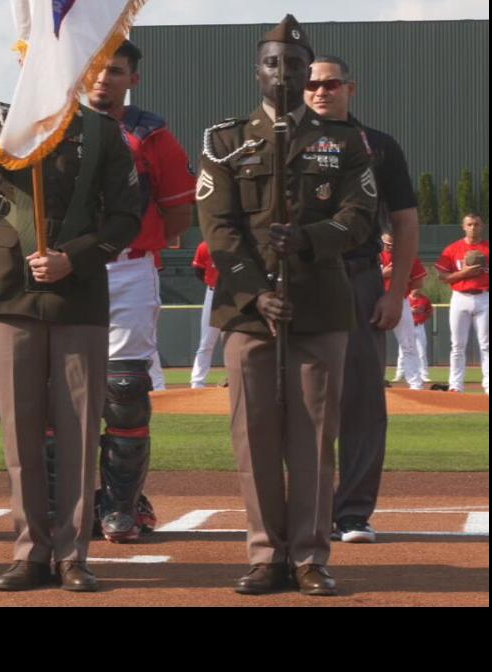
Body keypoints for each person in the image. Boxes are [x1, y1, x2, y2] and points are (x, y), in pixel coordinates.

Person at [198, 15, 375, 596]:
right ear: (258, 71)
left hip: (320, 305)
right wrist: (256, 291)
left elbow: (358, 217)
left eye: (295, 65)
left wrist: (308, 238)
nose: (284, 73)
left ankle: (309, 557)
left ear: (306, 74)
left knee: (314, 437)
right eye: (273, 63)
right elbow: (219, 230)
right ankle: (265, 556)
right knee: (254, 436)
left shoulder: (345, 141)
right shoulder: (224, 140)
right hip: (249, 309)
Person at [0, 93, 143, 589]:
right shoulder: (0, 114)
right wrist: (33, 118)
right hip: (9, 289)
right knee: (20, 434)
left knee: (79, 430)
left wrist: (77, 256)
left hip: (78, 290)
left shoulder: (103, 131)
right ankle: (30, 552)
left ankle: (72, 554)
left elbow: (126, 215)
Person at [304, 54, 423, 544]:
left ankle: (352, 511)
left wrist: (395, 294)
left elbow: (406, 222)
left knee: (360, 401)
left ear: (351, 89)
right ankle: (301, 510)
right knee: (295, 402)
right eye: (311, 84)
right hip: (296, 281)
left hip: (357, 277)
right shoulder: (281, 140)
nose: (320, 91)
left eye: (331, 83)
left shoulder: (378, 145)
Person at [85, 39, 194, 541]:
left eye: (115, 70)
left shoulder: (152, 136)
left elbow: (177, 211)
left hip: (128, 269)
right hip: (65, 271)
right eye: (95, 69)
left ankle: (121, 504)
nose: (103, 79)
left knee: (124, 389)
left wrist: (142, 238)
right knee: (55, 394)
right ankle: (71, 500)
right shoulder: (51, 127)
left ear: (133, 79)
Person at [435, 213, 488, 394]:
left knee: (486, 344)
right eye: (470, 224)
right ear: (463, 227)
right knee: (457, 345)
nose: (473, 227)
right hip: (460, 297)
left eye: (476, 224)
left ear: (482, 226)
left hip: (484, 297)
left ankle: (488, 386)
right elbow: (442, 278)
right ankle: (456, 386)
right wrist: (464, 273)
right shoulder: (452, 249)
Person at [379, 232, 426, 391]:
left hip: (400, 301)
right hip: (374, 301)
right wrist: (383, 275)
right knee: (373, 345)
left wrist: (403, 283)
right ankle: (375, 380)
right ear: (382, 241)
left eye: (393, 244)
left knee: (408, 344)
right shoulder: (373, 256)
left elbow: (419, 281)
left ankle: (415, 384)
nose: (390, 247)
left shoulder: (408, 256)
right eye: (387, 244)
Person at [190, 240, 222, 388]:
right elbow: (198, 271)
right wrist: (211, 282)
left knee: (239, 340)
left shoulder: (238, 243)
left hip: (237, 294)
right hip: (214, 293)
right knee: (206, 342)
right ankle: (197, 383)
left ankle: (237, 378)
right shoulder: (204, 246)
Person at [399, 289, 433, 383]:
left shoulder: (424, 299)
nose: (417, 289)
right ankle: (400, 374)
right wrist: (411, 310)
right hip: (406, 327)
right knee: (403, 352)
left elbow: (430, 311)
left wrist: (423, 318)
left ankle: (424, 375)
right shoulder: (404, 298)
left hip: (419, 326)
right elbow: (398, 310)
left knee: (422, 352)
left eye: (418, 288)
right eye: (414, 288)